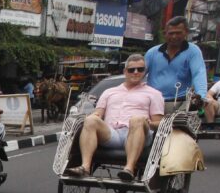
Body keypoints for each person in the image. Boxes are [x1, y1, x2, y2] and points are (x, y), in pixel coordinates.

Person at [64, 54, 164, 182]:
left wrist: (148, 123)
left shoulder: (154, 94)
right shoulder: (109, 92)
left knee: (137, 119)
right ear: (125, 71)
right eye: (131, 69)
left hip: (139, 133)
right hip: (113, 134)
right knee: (90, 120)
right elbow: (98, 113)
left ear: (144, 72)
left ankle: (129, 169)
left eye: (140, 69)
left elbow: (159, 122)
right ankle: (85, 167)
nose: (136, 72)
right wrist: (92, 116)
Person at [144, 16, 208, 102]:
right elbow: (138, 73)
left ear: (186, 32)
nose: (174, 36)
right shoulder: (152, 53)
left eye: (178, 33)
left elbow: (198, 74)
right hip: (152, 100)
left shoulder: (193, 51)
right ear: (165, 33)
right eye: (171, 33)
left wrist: (201, 96)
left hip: (179, 101)